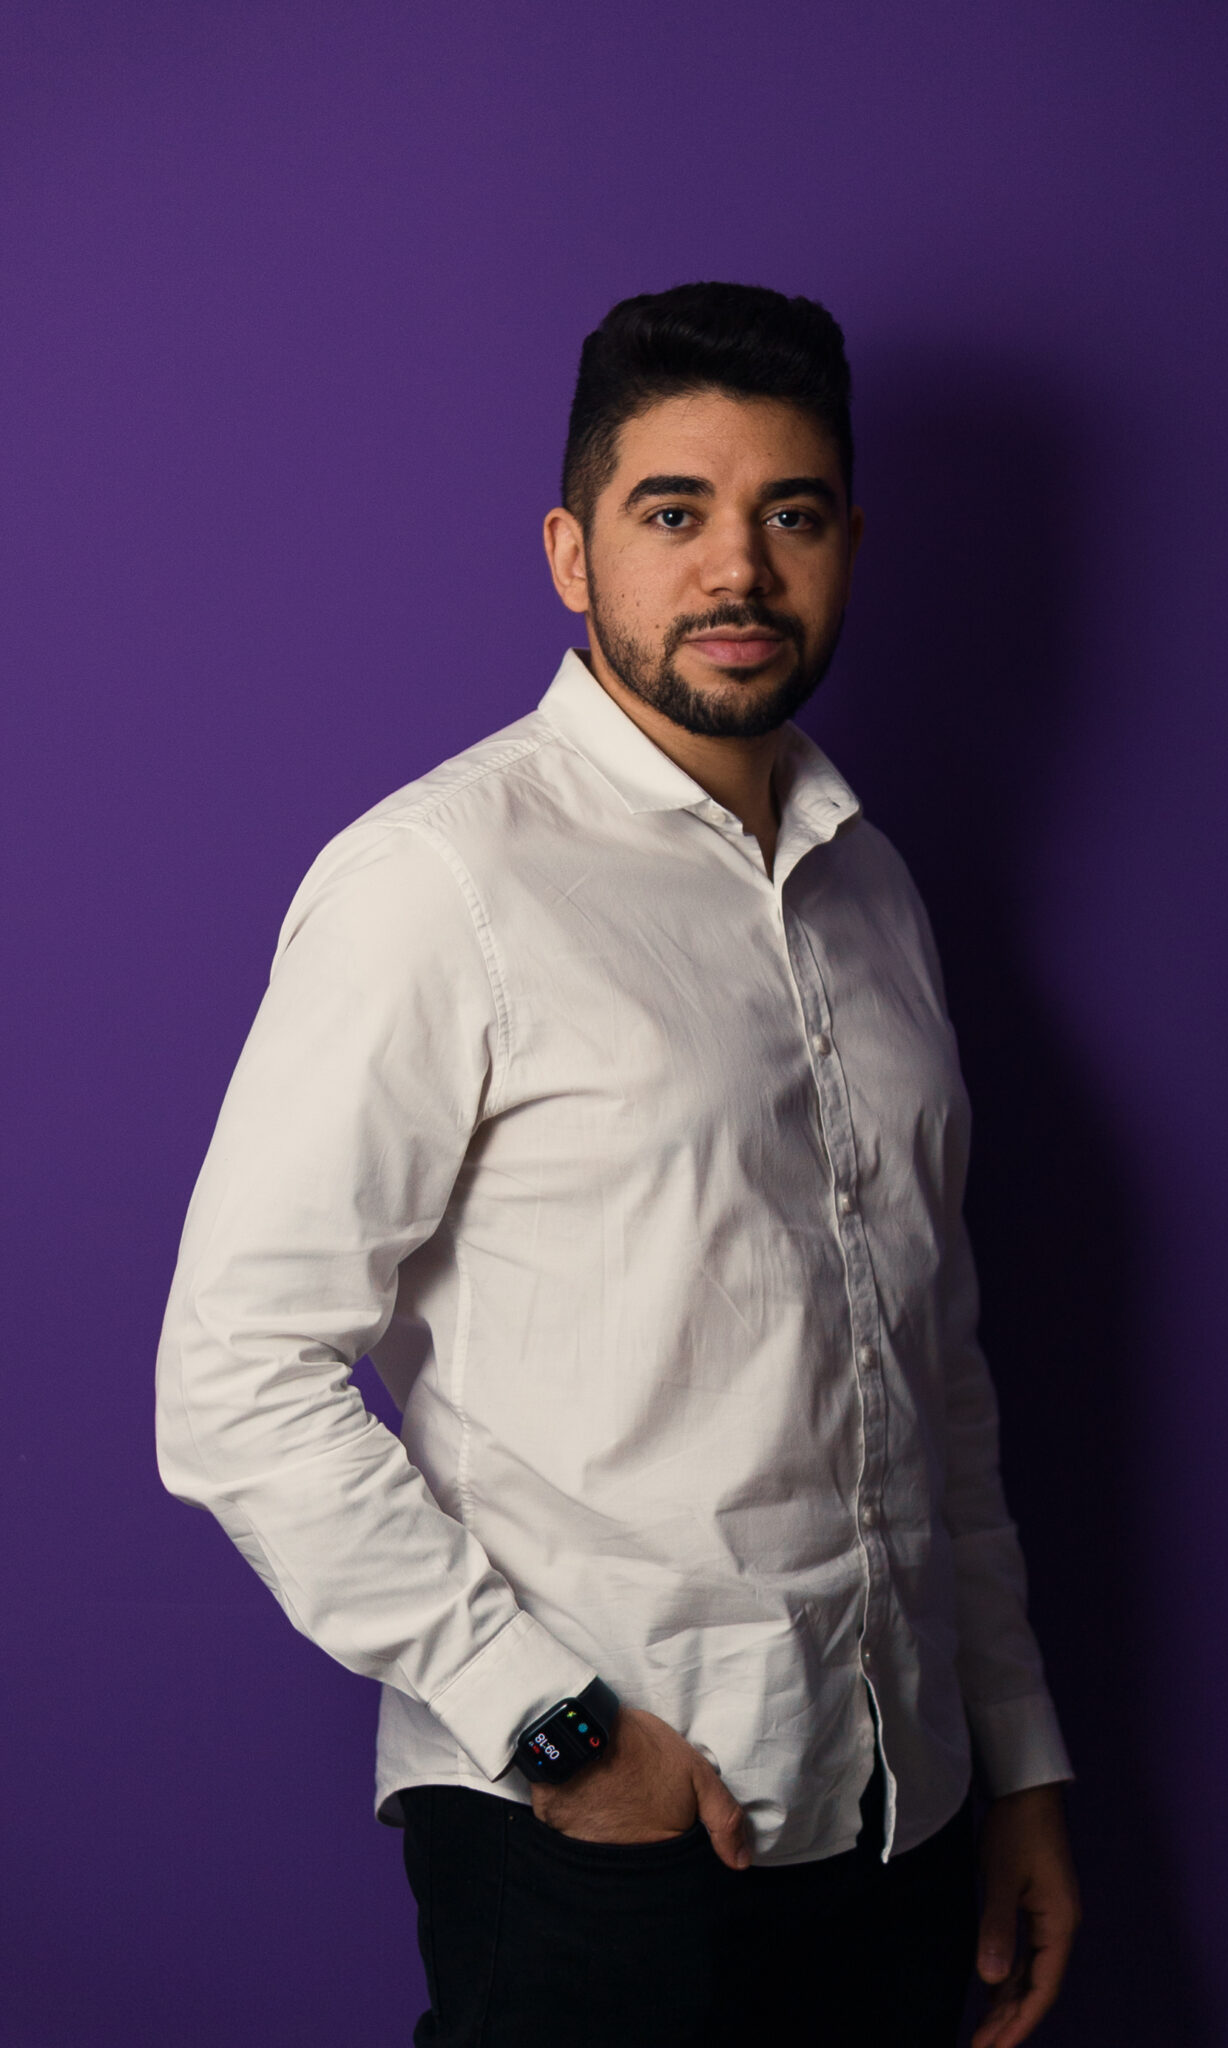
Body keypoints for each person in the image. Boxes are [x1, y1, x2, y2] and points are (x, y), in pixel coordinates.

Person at [157, 282, 1080, 2047]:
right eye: (674, 512)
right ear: (573, 555)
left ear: (851, 548)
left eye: (790, 514)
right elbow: (230, 1379)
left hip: (900, 1817)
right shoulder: (439, 881)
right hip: (599, 1837)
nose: (738, 568)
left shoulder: (875, 889)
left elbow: (933, 1371)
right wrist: (557, 1729)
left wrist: (1017, 1760)